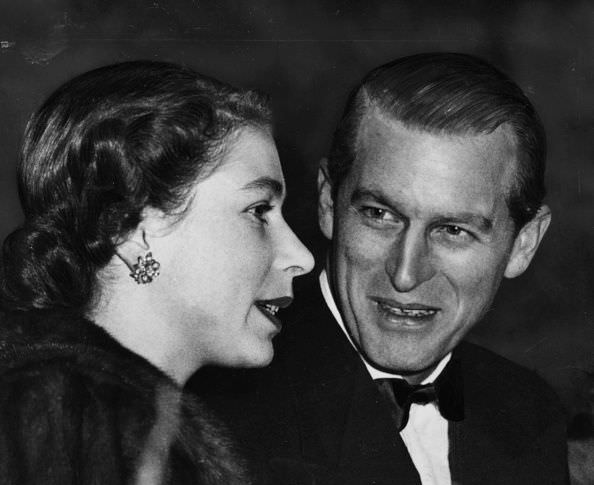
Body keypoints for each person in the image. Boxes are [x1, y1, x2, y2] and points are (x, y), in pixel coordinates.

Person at [192, 52, 569, 484]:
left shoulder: (528, 409)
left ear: (524, 243)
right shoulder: (216, 411)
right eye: (379, 215)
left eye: (452, 230)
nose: (406, 274)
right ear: (330, 202)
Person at [0, 60, 314, 484]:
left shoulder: (91, 419)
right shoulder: (70, 423)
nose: (301, 256)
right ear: (132, 234)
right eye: (259, 211)